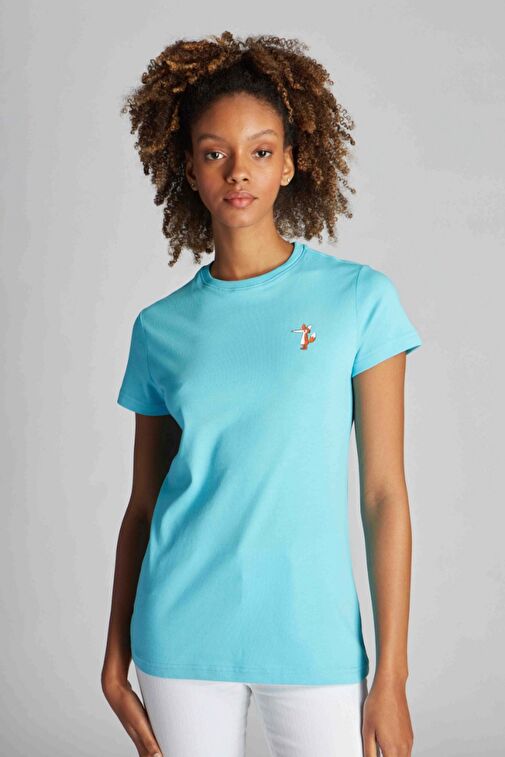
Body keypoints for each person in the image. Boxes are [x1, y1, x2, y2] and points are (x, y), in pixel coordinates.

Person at [101, 31, 422, 757]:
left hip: (313, 639)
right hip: (179, 635)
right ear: (189, 168)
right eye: (215, 152)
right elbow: (144, 505)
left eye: (261, 150)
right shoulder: (159, 327)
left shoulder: (358, 301)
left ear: (291, 162)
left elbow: (383, 494)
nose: (238, 171)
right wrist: (114, 656)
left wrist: (392, 675)